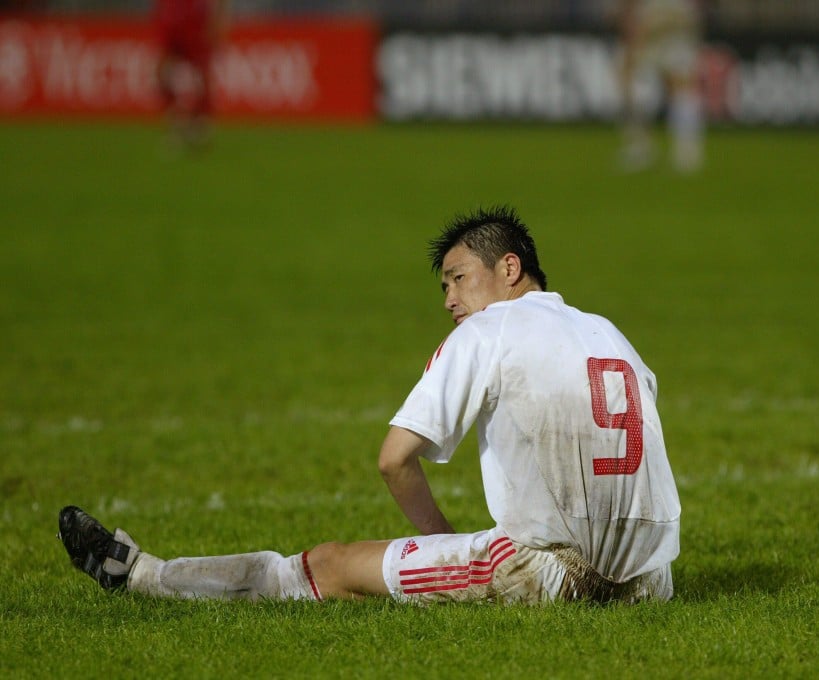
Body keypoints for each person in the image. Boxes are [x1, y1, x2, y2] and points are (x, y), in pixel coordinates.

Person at [58, 206, 682, 605]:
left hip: (552, 579)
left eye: (458, 278)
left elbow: (394, 460)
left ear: (510, 268)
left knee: (327, 567)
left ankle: (140, 575)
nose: (449, 300)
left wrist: (446, 540)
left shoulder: (488, 330)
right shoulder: (607, 331)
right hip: (651, 583)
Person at [617, 0, 704, 173]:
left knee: (680, 86)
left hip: (674, 33)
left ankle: (687, 149)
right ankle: (641, 145)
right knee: (635, 85)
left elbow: (689, 18)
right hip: (652, 33)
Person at [153, 0, 230, 150]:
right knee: (161, 72)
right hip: (170, 17)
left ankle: (200, 124)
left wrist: (219, 20)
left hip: (195, 18)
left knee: (201, 73)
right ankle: (177, 123)